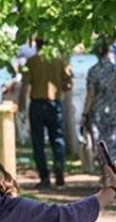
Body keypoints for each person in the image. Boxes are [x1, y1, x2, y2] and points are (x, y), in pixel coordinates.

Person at [19, 40, 72, 188]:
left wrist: (21, 105)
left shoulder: (32, 61)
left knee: (38, 142)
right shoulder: (60, 61)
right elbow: (68, 85)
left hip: (37, 104)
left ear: (36, 45)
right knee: (58, 139)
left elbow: (25, 85)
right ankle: (59, 167)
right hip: (55, 104)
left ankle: (45, 177)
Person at [82, 40, 116, 169]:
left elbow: (91, 94)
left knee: (102, 143)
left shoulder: (94, 70)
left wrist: (85, 113)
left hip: (99, 111)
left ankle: (105, 170)